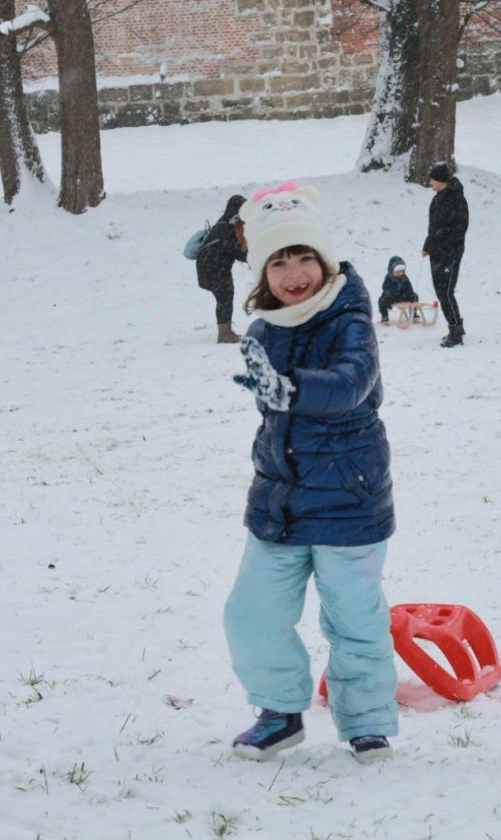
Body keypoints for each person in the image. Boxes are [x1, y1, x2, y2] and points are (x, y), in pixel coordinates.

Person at [223, 182, 398, 765]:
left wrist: (291, 388)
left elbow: (352, 383)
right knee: (252, 612)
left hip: (349, 498)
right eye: (279, 260)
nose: (294, 272)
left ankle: (367, 723)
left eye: (304, 257)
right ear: (261, 273)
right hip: (280, 500)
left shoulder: (348, 316)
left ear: (323, 260)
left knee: (354, 618)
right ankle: (278, 713)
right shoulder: (262, 332)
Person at [422, 162, 469, 348]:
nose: (430, 182)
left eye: (433, 179)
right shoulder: (438, 198)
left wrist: (448, 247)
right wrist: (428, 245)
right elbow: (434, 226)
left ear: (442, 181)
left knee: (446, 292)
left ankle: (456, 331)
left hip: (450, 252)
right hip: (437, 252)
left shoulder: (457, 200)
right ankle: (456, 324)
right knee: (440, 290)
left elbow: (459, 228)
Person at [195, 194, 249, 343]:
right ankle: (224, 334)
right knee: (225, 296)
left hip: (213, 265)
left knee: (225, 296)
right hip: (213, 267)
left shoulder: (226, 223)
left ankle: (226, 331)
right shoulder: (225, 227)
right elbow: (235, 250)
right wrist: (254, 258)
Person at [377, 256, 420, 325]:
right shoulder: (388, 278)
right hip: (392, 298)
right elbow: (385, 288)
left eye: (401, 271)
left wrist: (407, 294)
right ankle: (384, 316)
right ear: (392, 271)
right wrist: (390, 294)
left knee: (415, 296)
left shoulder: (405, 278)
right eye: (397, 272)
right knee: (381, 300)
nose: (400, 274)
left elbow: (409, 288)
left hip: (403, 297)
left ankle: (413, 314)